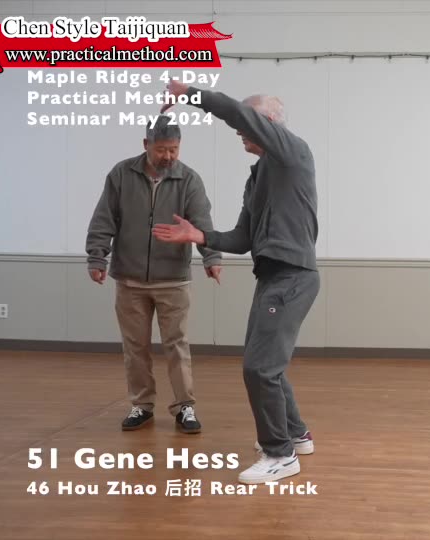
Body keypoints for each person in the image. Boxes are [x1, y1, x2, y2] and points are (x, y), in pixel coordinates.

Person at [152, 81, 319, 485]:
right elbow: (243, 239)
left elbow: (236, 113)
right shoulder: (258, 177)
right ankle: (296, 435)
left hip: (292, 276)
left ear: (270, 123)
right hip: (273, 276)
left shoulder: (293, 152)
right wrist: (201, 236)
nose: (240, 131)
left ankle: (280, 455)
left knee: (259, 368)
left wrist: (191, 94)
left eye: (249, 123)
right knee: (268, 365)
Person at [86, 115, 222, 434]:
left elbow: (202, 224)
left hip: (173, 279)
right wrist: (97, 256)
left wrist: (212, 257)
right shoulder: (121, 174)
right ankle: (142, 405)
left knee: (177, 345)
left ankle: (184, 406)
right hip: (129, 279)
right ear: (146, 144)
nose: (168, 156)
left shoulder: (189, 180)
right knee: (135, 347)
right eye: (161, 150)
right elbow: (104, 218)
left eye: (174, 149)